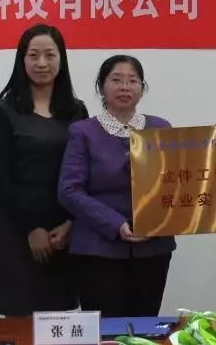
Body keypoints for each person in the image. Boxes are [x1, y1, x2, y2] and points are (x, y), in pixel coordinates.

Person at [59, 55, 175, 317]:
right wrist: (115, 224)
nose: (125, 87)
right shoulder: (83, 132)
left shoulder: (160, 129)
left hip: (153, 249)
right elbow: (69, 190)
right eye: (116, 80)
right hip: (98, 250)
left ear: (142, 88)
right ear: (102, 87)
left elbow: (174, 183)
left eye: (132, 81)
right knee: (104, 329)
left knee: (144, 328)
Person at [0, 24, 89, 315]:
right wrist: (31, 228)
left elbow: (85, 172)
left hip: (64, 234)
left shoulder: (76, 111)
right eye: (33, 55)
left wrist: (71, 224)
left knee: (60, 320)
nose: (42, 63)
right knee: (21, 319)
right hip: (17, 232)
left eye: (50, 55)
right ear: (22, 60)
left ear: (61, 59)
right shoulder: (5, 110)